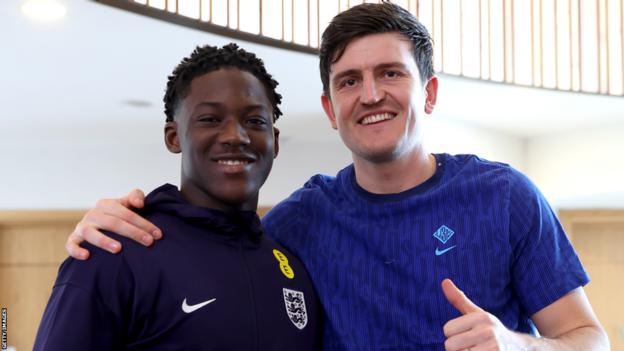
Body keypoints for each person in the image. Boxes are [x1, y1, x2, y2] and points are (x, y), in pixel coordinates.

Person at [64, 2, 610, 351]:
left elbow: (592, 341)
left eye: (390, 73)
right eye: (349, 81)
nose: (370, 94)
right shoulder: (298, 222)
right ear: (330, 109)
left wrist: (518, 347)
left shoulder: (506, 196)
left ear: (430, 92)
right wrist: (105, 221)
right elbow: (211, 235)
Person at [34, 43, 320, 350]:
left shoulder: (292, 266)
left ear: (274, 142)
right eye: (210, 119)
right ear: (174, 137)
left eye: (255, 121)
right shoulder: (115, 251)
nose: (236, 136)